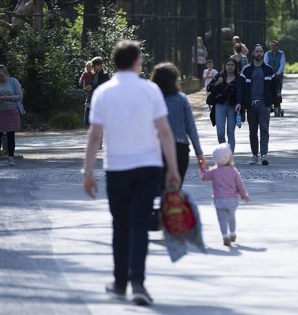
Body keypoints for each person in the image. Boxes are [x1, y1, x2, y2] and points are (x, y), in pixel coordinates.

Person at [81, 40, 181, 306]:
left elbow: (94, 137)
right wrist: (172, 168)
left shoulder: (103, 93)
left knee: (120, 225)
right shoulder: (151, 91)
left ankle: (119, 282)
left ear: (114, 62)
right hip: (148, 167)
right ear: (137, 62)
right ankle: (138, 282)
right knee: (140, 225)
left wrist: (87, 172)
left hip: (118, 168)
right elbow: (165, 131)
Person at [150, 62, 206, 189]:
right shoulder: (182, 99)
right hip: (180, 148)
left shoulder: (151, 99)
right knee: (174, 191)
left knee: (157, 189)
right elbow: (191, 128)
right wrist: (199, 153)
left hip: (157, 148)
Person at [236, 44, 278, 166]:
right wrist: (239, 102)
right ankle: (254, 155)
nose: (259, 54)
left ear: (263, 53)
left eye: (261, 51)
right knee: (252, 130)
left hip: (264, 105)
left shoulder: (269, 69)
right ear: (253, 53)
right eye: (257, 52)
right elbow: (241, 88)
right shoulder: (247, 69)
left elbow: (273, 88)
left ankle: (264, 155)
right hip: (250, 105)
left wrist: (275, 105)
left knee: (264, 129)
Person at [200, 143, 250, 246]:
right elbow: (240, 184)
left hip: (219, 200)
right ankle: (232, 233)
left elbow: (204, 178)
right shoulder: (233, 171)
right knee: (231, 217)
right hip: (232, 199)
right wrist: (244, 195)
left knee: (222, 218)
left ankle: (225, 235)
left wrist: (202, 167)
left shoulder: (214, 171)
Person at [0, 65, 23, 166]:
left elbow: (19, 96)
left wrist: (8, 97)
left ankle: (11, 158)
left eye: (1, 76)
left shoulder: (13, 81)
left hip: (11, 110)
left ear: (5, 73)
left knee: (11, 135)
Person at [207, 58, 240, 153]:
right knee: (220, 133)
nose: (230, 67)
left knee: (231, 133)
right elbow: (209, 87)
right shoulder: (219, 76)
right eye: (228, 65)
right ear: (225, 66)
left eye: (232, 65)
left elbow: (242, 93)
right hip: (220, 106)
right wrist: (217, 83)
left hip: (232, 107)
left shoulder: (238, 78)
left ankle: (229, 156)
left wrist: (239, 104)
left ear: (235, 67)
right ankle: (224, 151)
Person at [84, 56, 110, 127]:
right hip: (90, 99)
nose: (92, 67)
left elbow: (104, 87)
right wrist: (86, 88)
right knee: (87, 120)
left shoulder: (105, 75)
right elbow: (88, 84)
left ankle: (98, 136)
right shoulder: (93, 74)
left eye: (94, 65)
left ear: (98, 65)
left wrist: (93, 87)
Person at [264, 40, 285, 115]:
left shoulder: (281, 54)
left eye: (275, 45)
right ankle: (269, 105)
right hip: (269, 76)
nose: (273, 47)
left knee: (278, 91)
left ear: (277, 46)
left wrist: (278, 73)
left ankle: (278, 105)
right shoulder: (267, 54)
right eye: (272, 45)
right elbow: (266, 63)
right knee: (269, 90)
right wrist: (269, 73)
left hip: (278, 76)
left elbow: (282, 64)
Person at [78, 60, 94, 124]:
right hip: (87, 85)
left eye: (89, 67)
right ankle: (88, 102)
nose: (88, 69)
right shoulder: (85, 73)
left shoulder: (93, 74)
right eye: (87, 67)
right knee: (89, 94)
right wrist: (80, 81)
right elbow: (82, 78)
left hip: (92, 86)